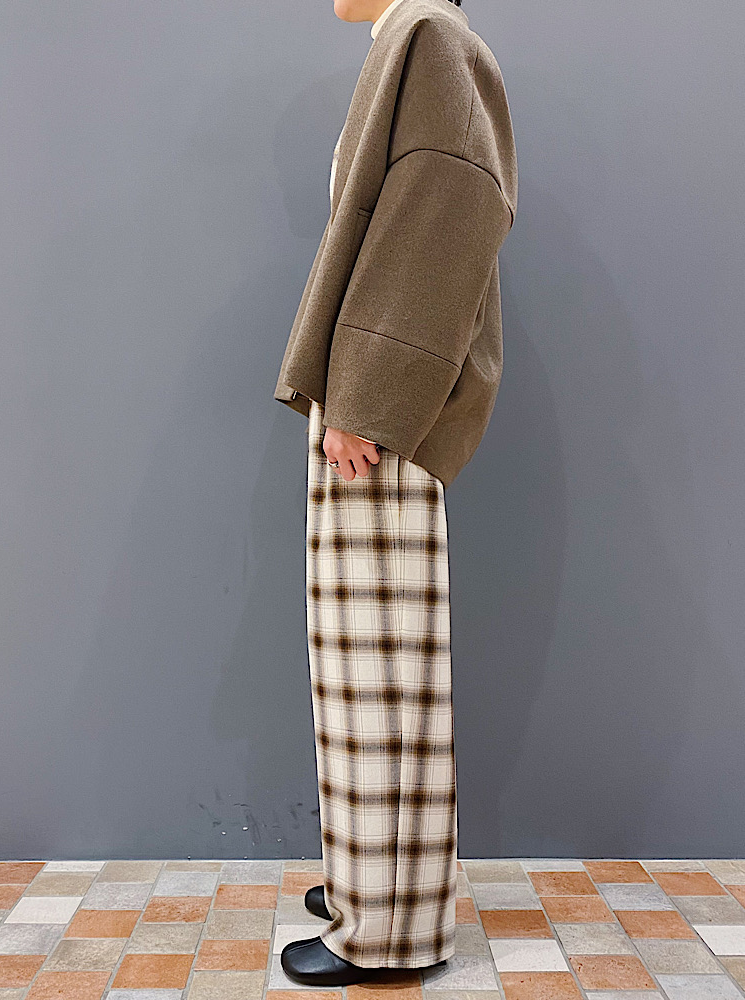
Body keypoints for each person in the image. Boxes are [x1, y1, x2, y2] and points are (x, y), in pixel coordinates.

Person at [275, 0, 517, 986]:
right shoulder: (416, 39)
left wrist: (371, 399)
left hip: (379, 415)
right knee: (361, 671)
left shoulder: (430, 35)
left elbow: (447, 215)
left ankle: (388, 931)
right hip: (370, 406)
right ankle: (373, 883)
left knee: (379, 674)